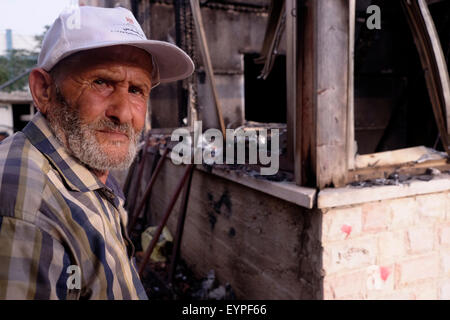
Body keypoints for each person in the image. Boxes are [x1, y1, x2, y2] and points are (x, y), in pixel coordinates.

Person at [0, 6, 194, 299]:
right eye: (102, 82)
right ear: (43, 91)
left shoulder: (83, 173)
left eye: (137, 90)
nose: (124, 114)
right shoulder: (27, 204)